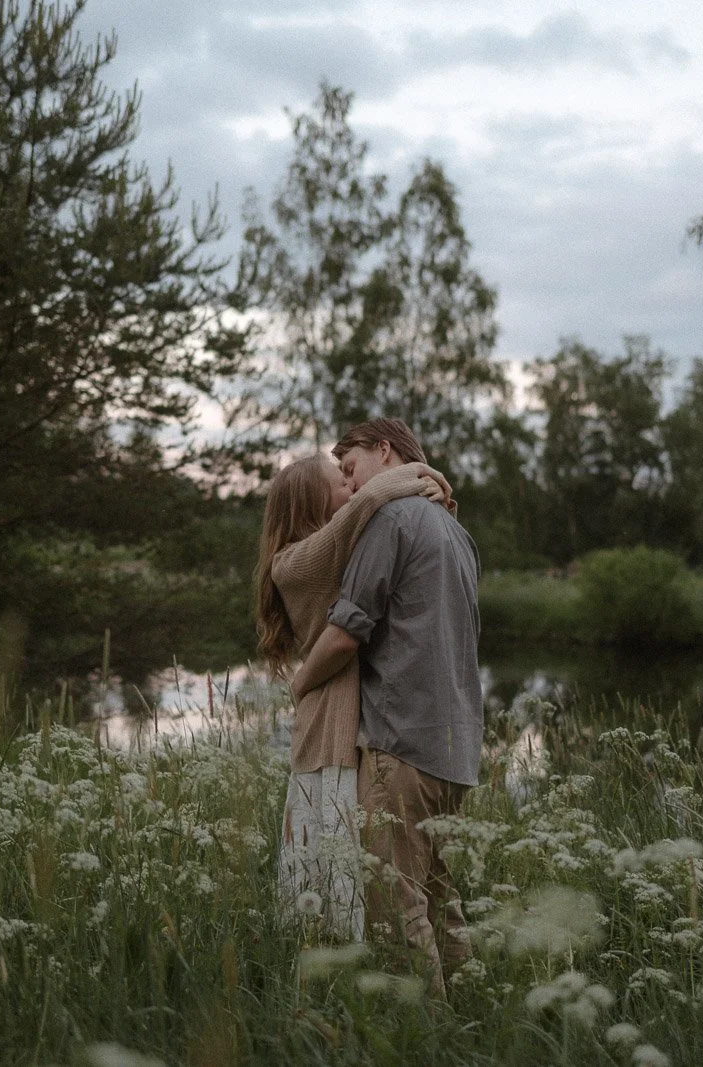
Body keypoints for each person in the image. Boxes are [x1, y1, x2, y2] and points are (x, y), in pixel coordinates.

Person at [291, 418, 483, 998]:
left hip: (400, 743)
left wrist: (300, 683)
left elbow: (349, 629)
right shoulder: (455, 530)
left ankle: (422, 1037)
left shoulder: (391, 519)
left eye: (351, 470)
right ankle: (468, 1027)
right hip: (457, 747)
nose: (350, 488)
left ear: (384, 451)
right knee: (442, 903)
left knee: (395, 911)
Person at [254, 451, 454, 940]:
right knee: (331, 878)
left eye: (350, 476)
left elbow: (399, 536)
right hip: (327, 732)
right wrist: (427, 476)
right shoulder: (300, 561)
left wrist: (440, 498)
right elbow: (372, 503)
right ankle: (323, 976)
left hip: (347, 728)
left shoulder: (333, 549)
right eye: (339, 482)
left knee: (360, 879)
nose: (351, 486)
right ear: (312, 502)